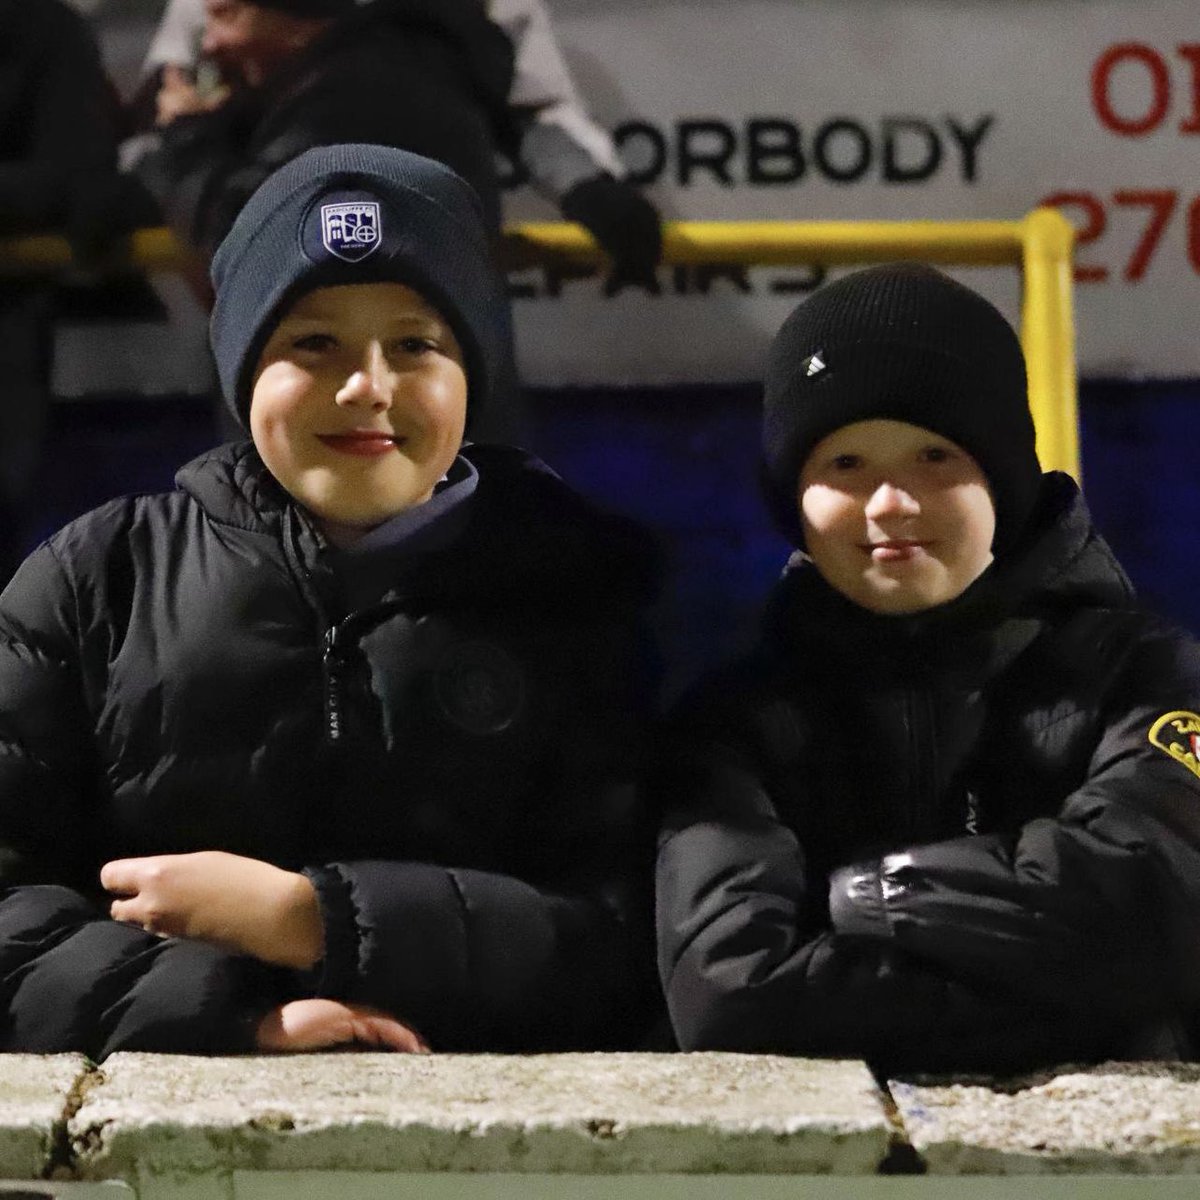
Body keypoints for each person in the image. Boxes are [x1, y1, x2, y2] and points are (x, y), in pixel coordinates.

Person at [0, 143, 660, 1059]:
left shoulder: (588, 589)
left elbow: (633, 935)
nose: (367, 387)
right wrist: (231, 1016)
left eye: (415, 344)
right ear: (241, 372)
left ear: (474, 369)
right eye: (313, 343)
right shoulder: (97, 579)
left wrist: (313, 921)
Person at [654, 263, 1200, 1075]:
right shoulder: (735, 720)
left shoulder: (1146, 674)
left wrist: (873, 895)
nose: (888, 505)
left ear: (1005, 476)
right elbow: (733, 990)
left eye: (934, 455)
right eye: (845, 465)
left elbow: (1162, 909)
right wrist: (1075, 996)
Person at [130, 0, 661, 280]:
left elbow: (526, 101)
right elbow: (175, 101)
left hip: (435, 244)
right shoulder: (215, 19)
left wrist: (587, 186)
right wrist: (147, 176)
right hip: (268, 229)